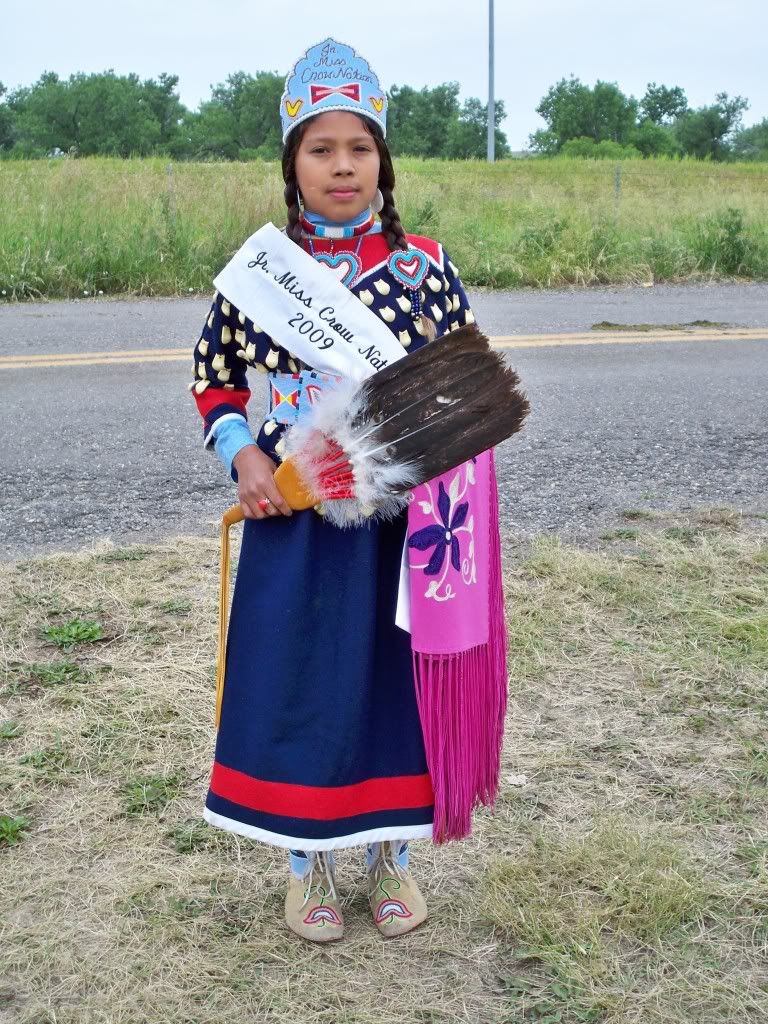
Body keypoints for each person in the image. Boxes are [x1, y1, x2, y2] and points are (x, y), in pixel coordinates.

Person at [189, 39, 505, 943]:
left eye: (358, 149)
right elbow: (213, 376)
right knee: (301, 680)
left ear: (383, 161)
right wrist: (244, 453)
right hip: (295, 520)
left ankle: (393, 856)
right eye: (320, 148)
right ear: (291, 161)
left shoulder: (424, 269)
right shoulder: (260, 275)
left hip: (405, 526)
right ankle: (306, 862)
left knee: (395, 684)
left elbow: (467, 387)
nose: (341, 166)